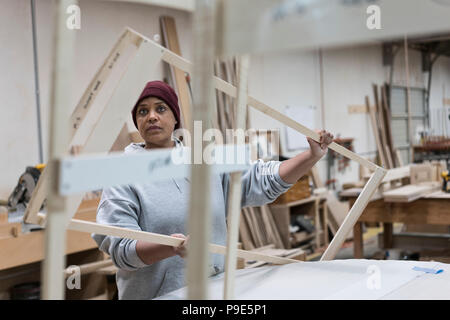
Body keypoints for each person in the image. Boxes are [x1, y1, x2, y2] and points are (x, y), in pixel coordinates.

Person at [93, 80, 334, 300]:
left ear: (176, 118)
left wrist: (311, 156)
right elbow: (121, 248)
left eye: (161, 108)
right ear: (137, 121)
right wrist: (168, 248)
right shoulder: (122, 174)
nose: (152, 116)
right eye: (143, 111)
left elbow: (259, 180)